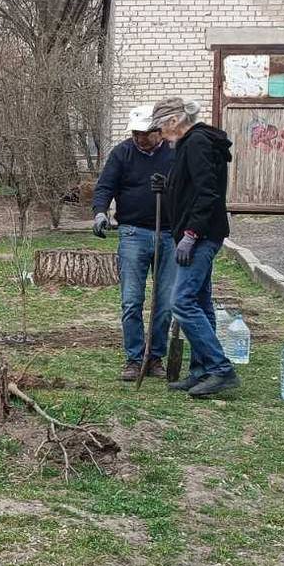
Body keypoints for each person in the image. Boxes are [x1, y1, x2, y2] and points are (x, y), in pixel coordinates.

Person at [149, 97, 239, 398]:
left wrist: (191, 233)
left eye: (160, 127)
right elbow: (192, 186)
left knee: (182, 302)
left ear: (174, 121)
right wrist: (169, 185)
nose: (159, 134)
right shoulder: (190, 144)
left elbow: (207, 192)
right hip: (200, 235)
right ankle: (201, 372)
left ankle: (220, 369)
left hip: (200, 237)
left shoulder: (197, 142)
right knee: (200, 302)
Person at [92, 105, 176, 382]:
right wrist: (101, 212)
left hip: (169, 235)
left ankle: (155, 358)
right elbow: (105, 186)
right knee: (131, 301)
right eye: (136, 134)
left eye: (145, 134)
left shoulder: (175, 154)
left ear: (159, 132)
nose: (140, 139)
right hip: (133, 234)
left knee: (165, 303)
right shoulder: (122, 153)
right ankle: (134, 358)